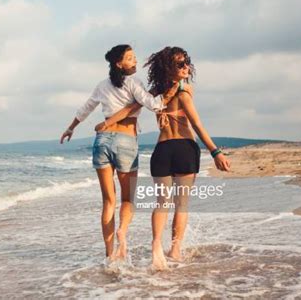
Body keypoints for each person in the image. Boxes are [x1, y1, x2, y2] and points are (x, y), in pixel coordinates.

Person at [94, 46, 230, 270]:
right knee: (181, 204)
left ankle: (156, 245)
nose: (186, 67)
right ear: (169, 68)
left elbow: (129, 109)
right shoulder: (185, 92)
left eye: (186, 62)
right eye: (180, 64)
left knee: (162, 203)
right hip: (185, 148)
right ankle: (175, 250)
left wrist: (107, 123)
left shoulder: (155, 93)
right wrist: (215, 152)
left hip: (162, 151)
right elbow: (196, 124)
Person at [60, 44, 175, 261]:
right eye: (130, 58)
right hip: (125, 140)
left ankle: (109, 254)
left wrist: (71, 128)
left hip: (102, 141)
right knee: (127, 200)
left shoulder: (102, 85)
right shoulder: (134, 83)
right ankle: (122, 233)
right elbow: (154, 104)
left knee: (108, 202)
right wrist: (169, 91)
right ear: (118, 63)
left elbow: (86, 108)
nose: (135, 61)